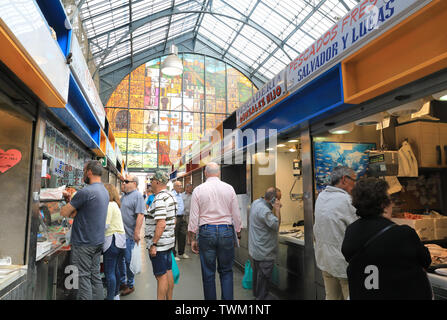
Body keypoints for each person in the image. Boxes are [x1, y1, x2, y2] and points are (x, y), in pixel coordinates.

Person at [342, 178, 432, 299]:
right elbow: (426, 260)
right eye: (390, 200)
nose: (393, 204)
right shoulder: (403, 233)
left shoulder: (351, 231)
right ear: (383, 205)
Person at [188, 162, 242, 300]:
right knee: (226, 271)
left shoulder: (198, 190)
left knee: (208, 273)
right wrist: (238, 233)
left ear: (205, 173)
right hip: (226, 231)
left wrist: (192, 238)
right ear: (219, 173)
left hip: (206, 231)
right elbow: (236, 213)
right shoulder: (229, 188)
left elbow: (194, 216)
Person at [60, 160, 109, 300]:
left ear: (89, 172)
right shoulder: (104, 191)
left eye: (84, 171)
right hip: (97, 241)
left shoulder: (86, 191)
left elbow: (64, 212)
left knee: (82, 279)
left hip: (84, 243)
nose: (83, 175)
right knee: (95, 277)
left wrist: (67, 201)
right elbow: (81, 212)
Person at [313, 166, 358, 300]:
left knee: (331, 297)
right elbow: (359, 229)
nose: (355, 185)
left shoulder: (321, 196)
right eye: (354, 180)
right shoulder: (347, 201)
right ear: (344, 180)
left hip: (324, 260)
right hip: (342, 264)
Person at [145, 170, 177, 300]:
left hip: (160, 245)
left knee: (160, 276)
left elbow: (161, 223)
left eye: (152, 180)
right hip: (168, 243)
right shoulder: (170, 196)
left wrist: (154, 244)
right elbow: (173, 220)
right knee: (168, 271)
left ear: (157, 182)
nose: (150, 183)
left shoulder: (159, 198)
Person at [248, 187, 281, 300]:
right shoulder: (265, 210)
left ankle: (257, 295)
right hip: (264, 251)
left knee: (258, 277)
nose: (280, 202)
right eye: (279, 199)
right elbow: (276, 225)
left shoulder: (256, 202)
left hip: (256, 249)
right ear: (273, 200)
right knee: (264, 279)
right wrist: (277, 209)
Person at [119, 175, 146, 296]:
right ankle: (123, 282)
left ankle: (130, 285)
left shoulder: (138, 196)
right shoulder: (124, 196)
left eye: (126, 181)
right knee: (122, 261)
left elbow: (140, 215)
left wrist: (136, 232)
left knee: (129, 261)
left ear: (134, 183)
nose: (123, 183)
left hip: (130, 235)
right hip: (121, 235)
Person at [103, 184, 126, 300]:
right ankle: (116, 294)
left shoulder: (109, 205)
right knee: (116, 269)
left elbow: (105, 225)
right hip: (120, 242)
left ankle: (110, 297)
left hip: (112, 241)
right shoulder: (116, 205)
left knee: (109, 272)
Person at [173, 181, 187, 260]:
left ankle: (182, 252)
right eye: (178, 186)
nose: (180, 187)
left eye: (181, 186)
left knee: (183, 235)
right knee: (174, 236)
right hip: (175, 217)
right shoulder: (172, 195)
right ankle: (173, 254)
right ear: (174, 186)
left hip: (182, 217)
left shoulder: (181, 195)